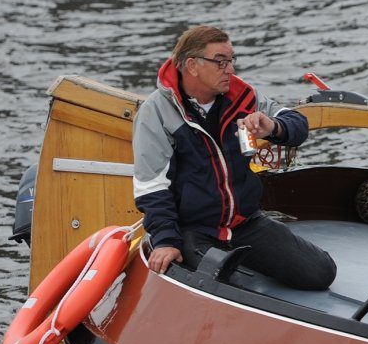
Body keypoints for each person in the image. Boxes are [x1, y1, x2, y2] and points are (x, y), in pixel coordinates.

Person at [132, 25, 336, 289]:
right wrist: (166, 242)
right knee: (235, 290)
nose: (230, 70)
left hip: (245, 223)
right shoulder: (156, 113)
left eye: (231, 60)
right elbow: (152, 188)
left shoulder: (242, 96)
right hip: (193, 230)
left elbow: (297, 124)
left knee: (320, 273)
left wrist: (272, 126)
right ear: (192, 65)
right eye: (220, 62)